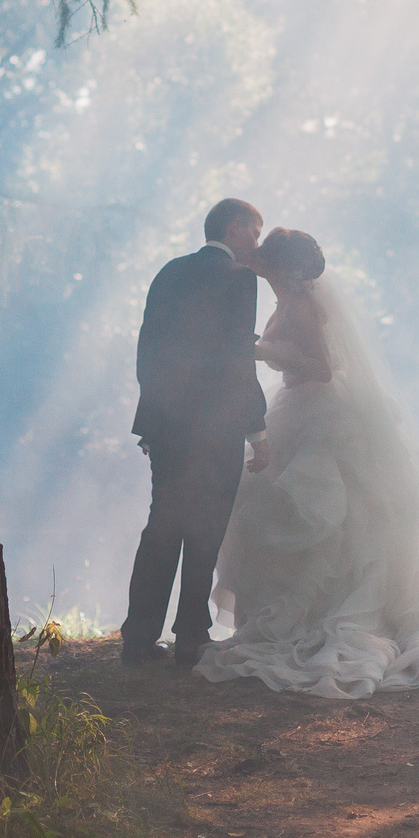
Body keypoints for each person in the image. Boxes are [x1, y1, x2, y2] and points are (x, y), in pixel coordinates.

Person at [195, 226, 419, 698]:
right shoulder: (287, 300)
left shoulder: (302, 305)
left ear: (279, 266)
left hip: (320, 414)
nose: (254, 253)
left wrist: (261, 350)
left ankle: (329, 616)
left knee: (327, 514)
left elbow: (322, 369)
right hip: (295, 409)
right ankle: (299, 614)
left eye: (263, 250)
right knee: (289, 506)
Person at [121, 198, 271, 669]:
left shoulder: (169, 272)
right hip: (215, 430)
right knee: (204, 532)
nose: (257, 242)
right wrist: (257, 428)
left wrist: (153, 420)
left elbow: (149, 349)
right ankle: (190, 637)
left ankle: (138, 640)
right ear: (234, 227)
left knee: (161, 529)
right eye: (255, 230)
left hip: (167, 428)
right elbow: (234, 359)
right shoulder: (239, 279)